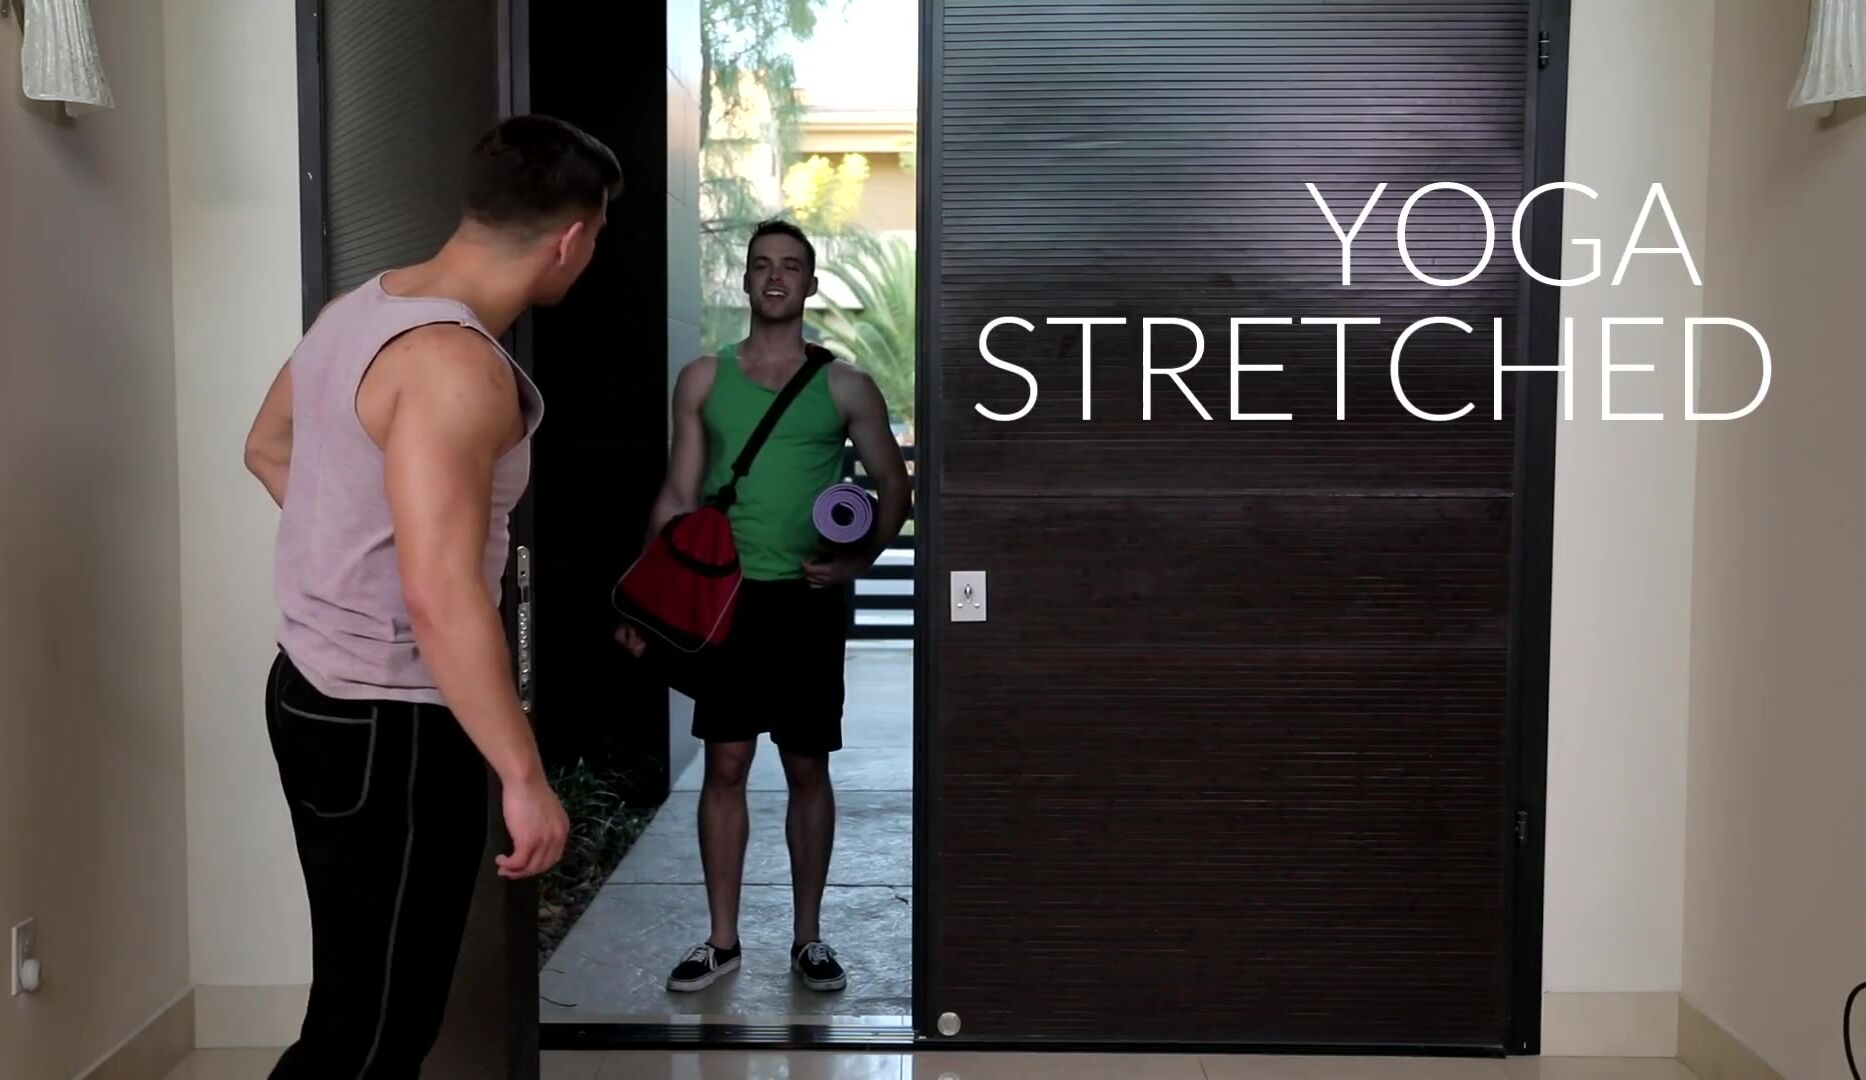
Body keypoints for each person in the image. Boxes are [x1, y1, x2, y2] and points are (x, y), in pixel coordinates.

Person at [242, 114, 621, 1077]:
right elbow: (442, 594)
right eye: (596, 239)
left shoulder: (356, 313)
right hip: (394, 722)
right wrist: (524, 779)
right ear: (570, 239)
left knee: (355, 1008)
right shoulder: (456, 366)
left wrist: (354, 561)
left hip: (309, 693)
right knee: (376, 1033)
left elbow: (267, 447)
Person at [617, 219, 911, 994]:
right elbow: (678, 495)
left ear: (811, 283)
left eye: (790, 266)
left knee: (807, 766)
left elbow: (894, 484)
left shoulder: (845, 385)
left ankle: (808, 939)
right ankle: (722, 942)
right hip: (726, 603)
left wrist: (856, 560)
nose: (775, 277)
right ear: (745, 280)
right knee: (727, 762)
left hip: (807, 604)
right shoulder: (702, 380)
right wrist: (646, 605)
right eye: (761, 265)